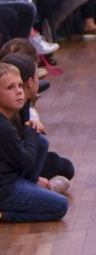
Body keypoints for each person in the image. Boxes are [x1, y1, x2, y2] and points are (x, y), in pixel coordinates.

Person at [0, 62, 68, 223]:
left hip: (10, 177)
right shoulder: (3, 128)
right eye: (10, 88)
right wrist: (31, 131)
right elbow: (26, 162)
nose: (19, 91)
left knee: (41, 141)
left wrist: (31, 130)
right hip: (5, 189)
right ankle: (4, 214)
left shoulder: (8, 117)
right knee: (61, 205)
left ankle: (30, 188)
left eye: (19, 85)